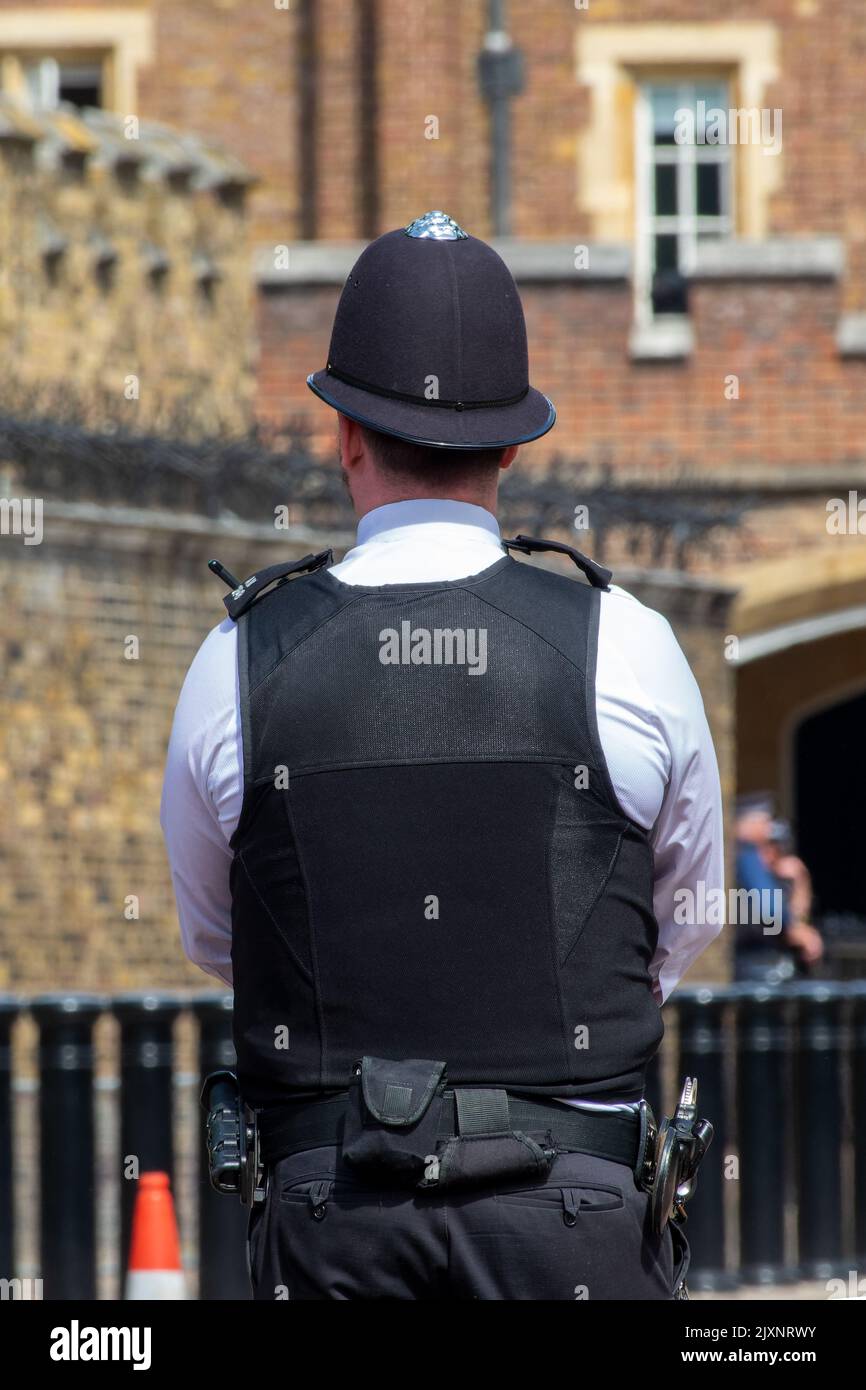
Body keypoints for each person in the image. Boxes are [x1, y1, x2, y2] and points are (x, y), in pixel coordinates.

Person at [161, 210, 724, 1300]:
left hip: (336, 1222)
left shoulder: (238, 658)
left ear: (344, 437)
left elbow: (217, 935)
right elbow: (682, 920)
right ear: (512, 445)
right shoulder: (629, 647)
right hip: (573, 1223)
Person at [733, 799, 822, 983]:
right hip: (752, 962)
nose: (773, 852)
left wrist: (800, 880)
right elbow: (772, 912)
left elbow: (798, 917)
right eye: (764, 822)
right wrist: (796, 932)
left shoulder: (770, 870)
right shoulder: (745, 855)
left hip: (762, 960)